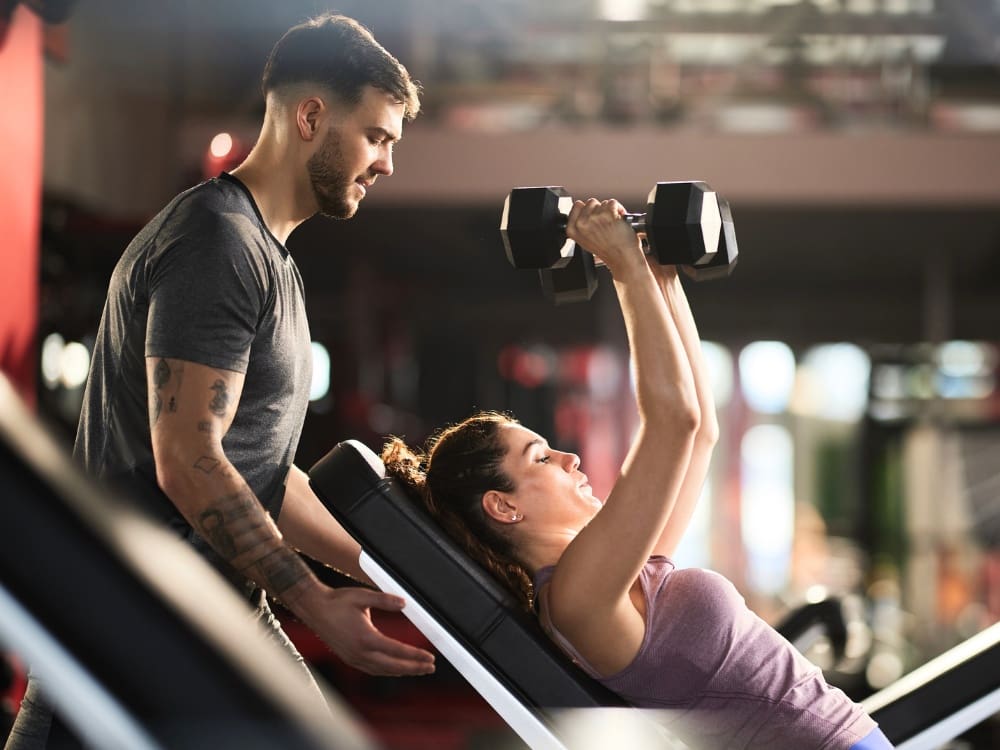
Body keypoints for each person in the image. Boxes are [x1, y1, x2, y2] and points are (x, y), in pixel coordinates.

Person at [5, 13, 435, 750]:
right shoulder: (217, 243)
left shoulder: (273, 261)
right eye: (377, 136)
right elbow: (190, 458)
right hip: (141, 619)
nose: (387, 163)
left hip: (214, 603)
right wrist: (311, 598)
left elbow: (262, 471)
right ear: (310, 116)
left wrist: (402, 582)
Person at [382, 198, 893, 750]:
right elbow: (673, 422)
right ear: (504, 507)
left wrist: (658, 274)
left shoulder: (615, 570)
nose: (569, 459)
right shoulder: (577, 597)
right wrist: (623, 270)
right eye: (540, 458)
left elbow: (700, 433)